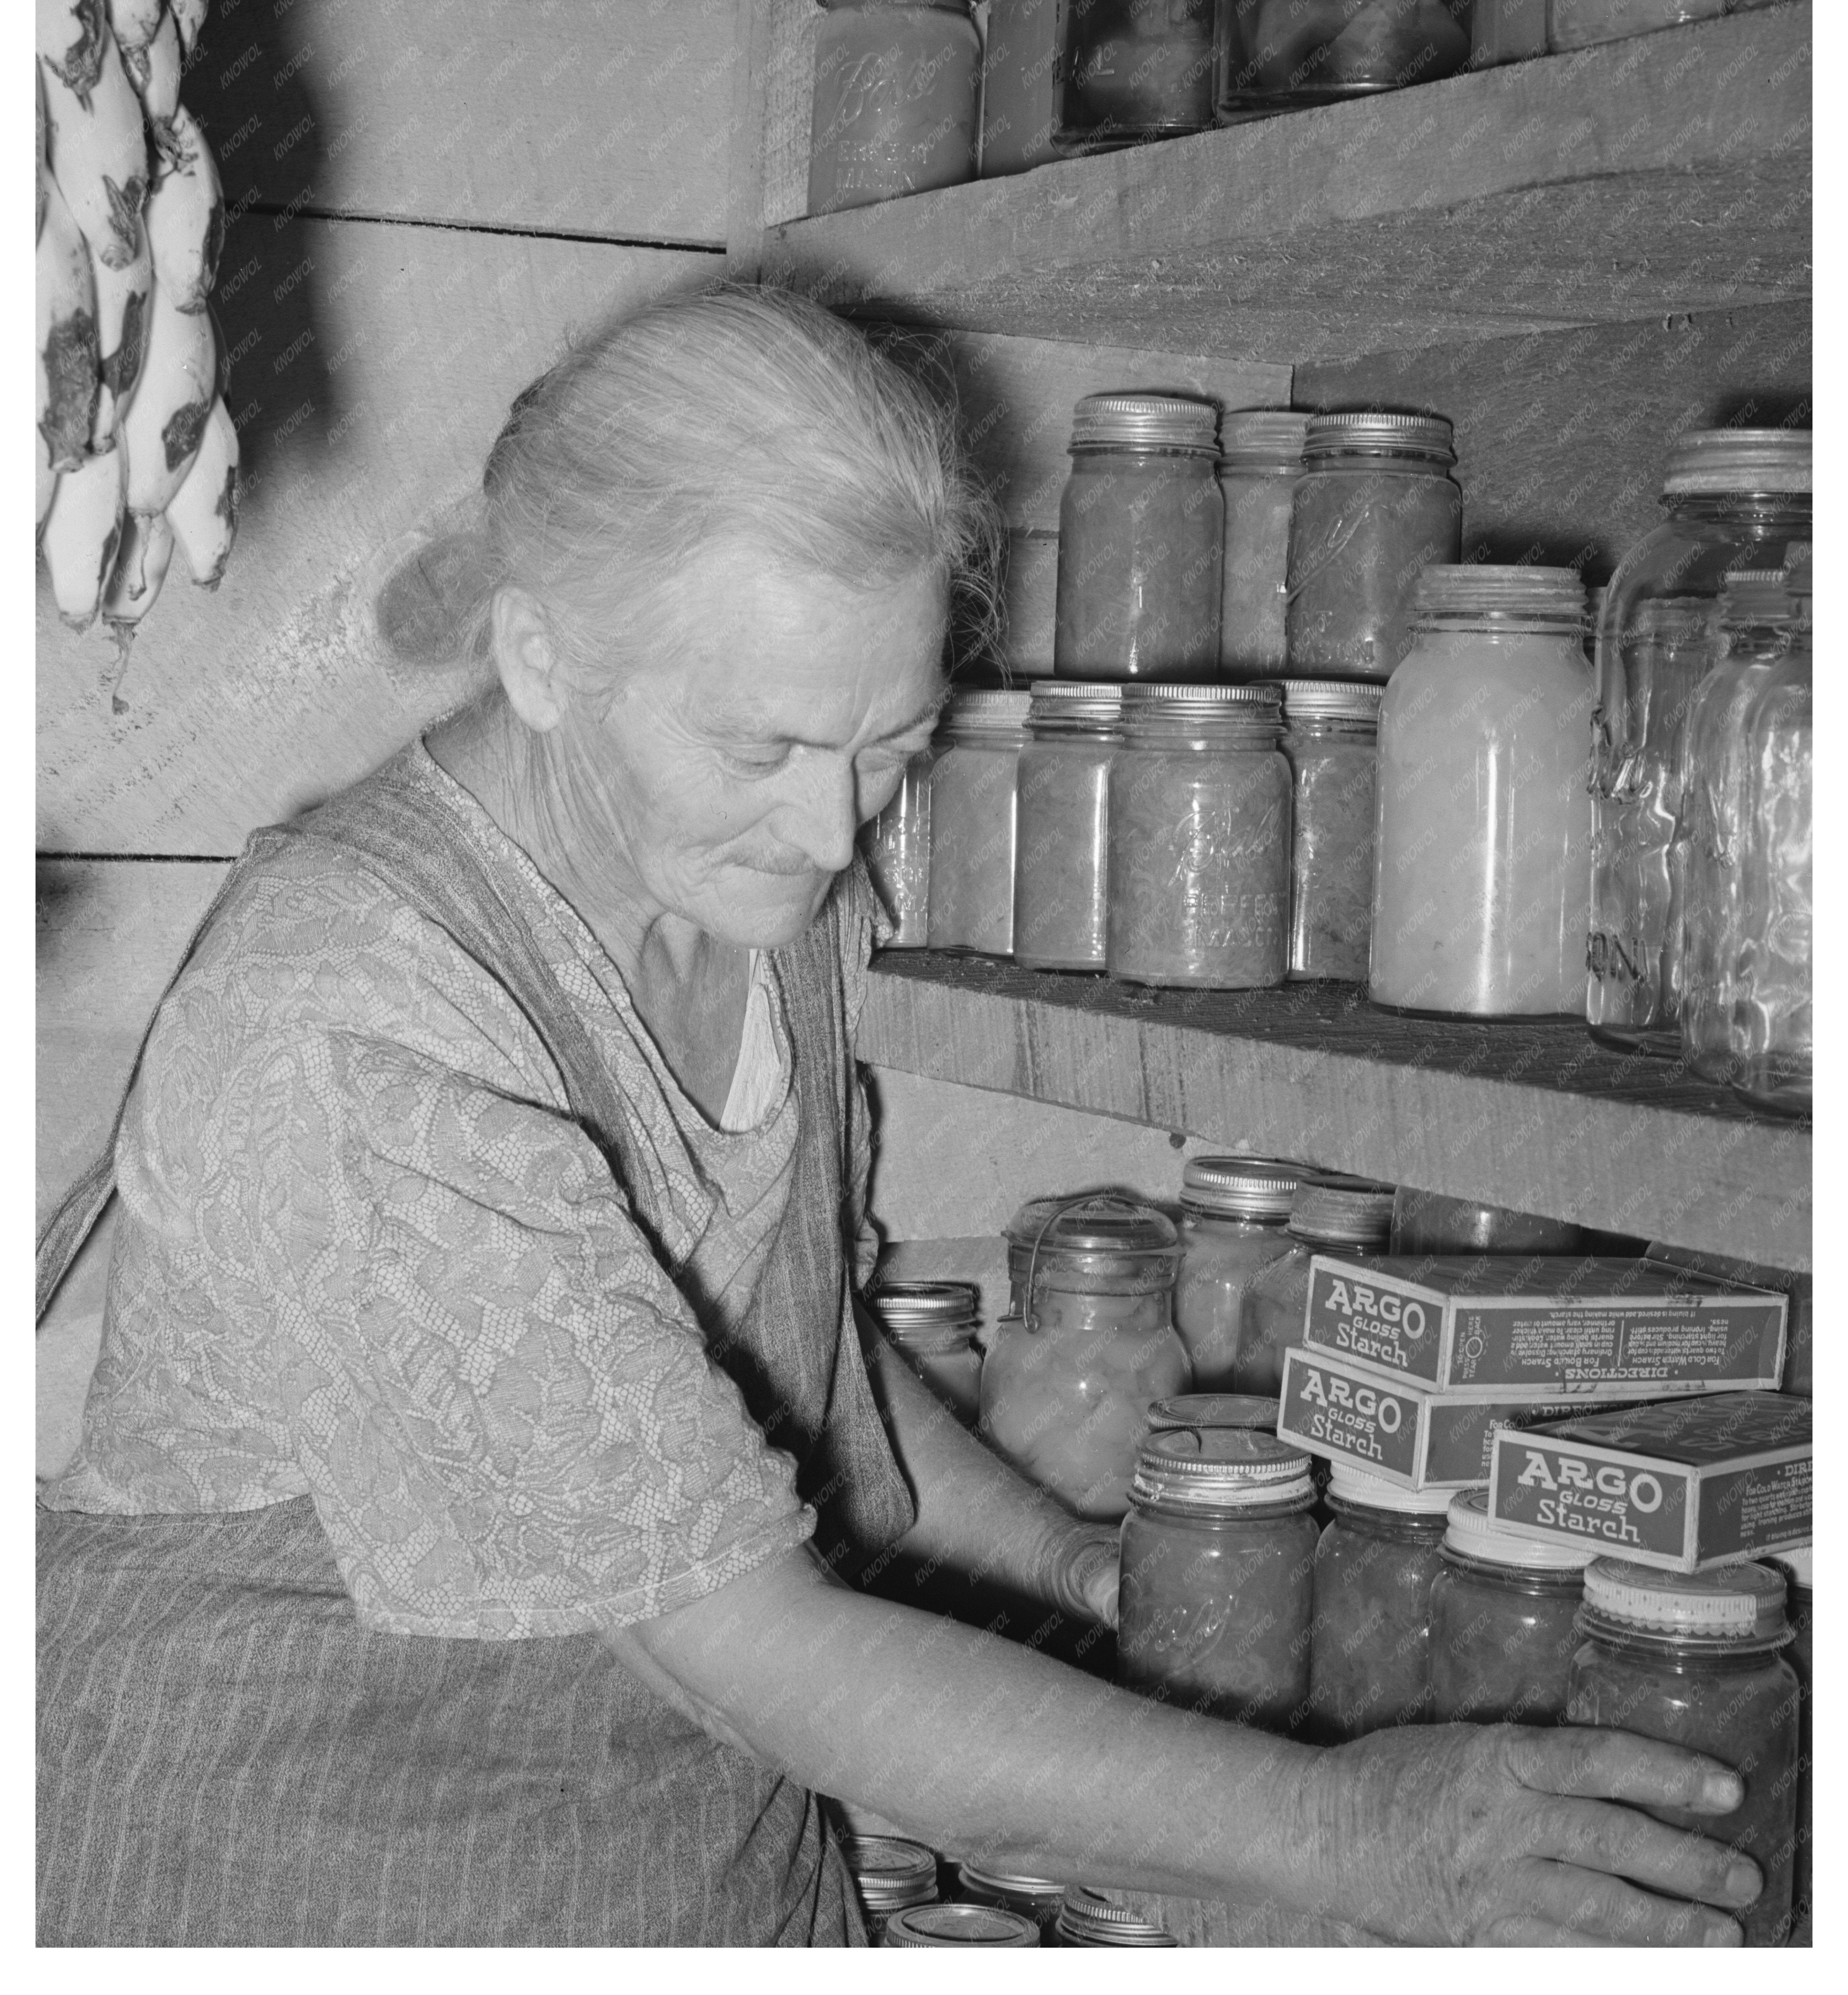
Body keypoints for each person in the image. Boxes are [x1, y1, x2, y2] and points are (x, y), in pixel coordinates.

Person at [38, 286, 1761, 1946]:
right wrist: (1357, 1836)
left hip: (692, 1895)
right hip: (306, 1896)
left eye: (890, 743)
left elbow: (790, 1362)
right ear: (545, 656)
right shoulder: (353, 1039)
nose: (829, 826)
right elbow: (759, 1643)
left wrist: (1075, 1566)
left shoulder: (744, 894)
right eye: (769, 745)